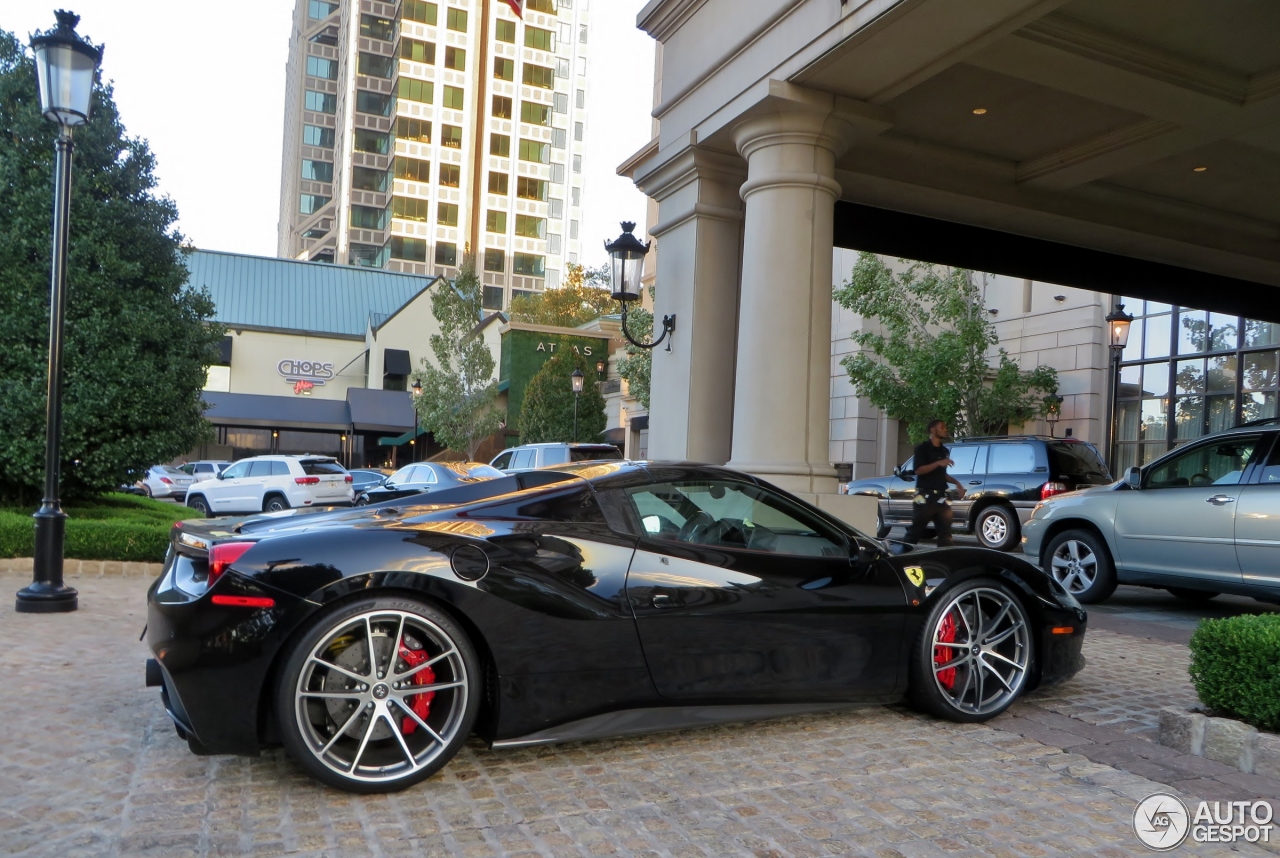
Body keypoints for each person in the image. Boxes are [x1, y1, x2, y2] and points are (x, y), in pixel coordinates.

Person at [904, 419, 966, 547]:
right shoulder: (922, 449)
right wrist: (938, 463)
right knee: (915, 532)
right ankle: (901, 557)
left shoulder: (943, 451)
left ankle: (945, 563)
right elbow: (919, 470)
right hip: (925, 496)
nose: (945, 429)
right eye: (942, 427)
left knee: (946, 535)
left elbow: (941, 474)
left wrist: (957, 484)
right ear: (933, 429)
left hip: (942, 497)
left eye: (945, 427)